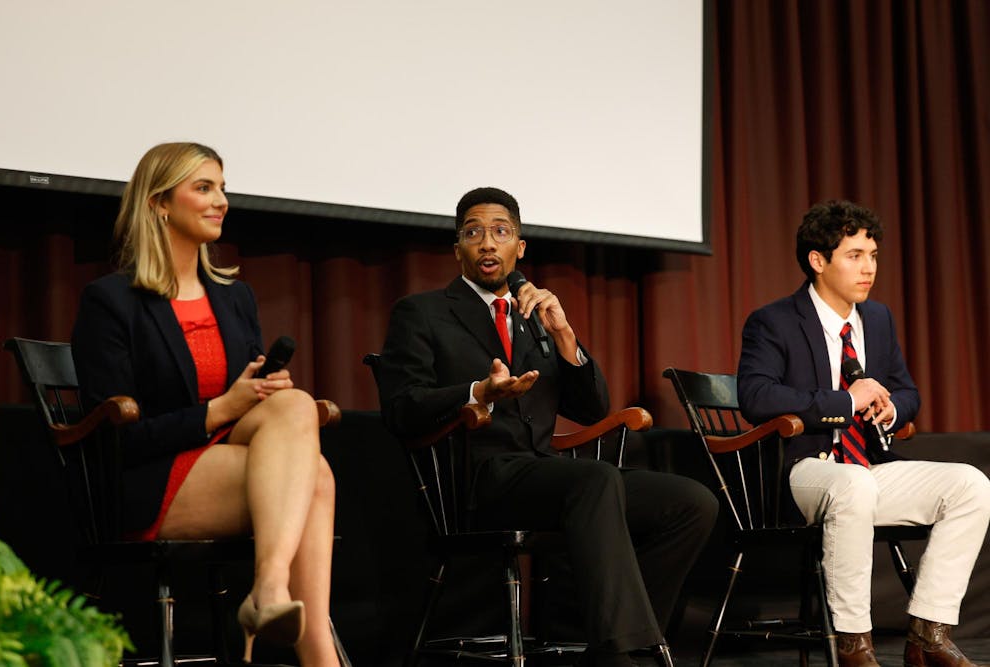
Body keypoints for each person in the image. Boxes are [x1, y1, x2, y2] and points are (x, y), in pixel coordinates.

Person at [375, 186, 718, 667]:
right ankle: (622, 655)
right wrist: (478, 392)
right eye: (474, 233)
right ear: (458, 251)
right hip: (478, 479)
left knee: (691, 503)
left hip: (546, 475)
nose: (488, 243)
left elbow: (593, 408)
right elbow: (401, 408)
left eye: (501, 232)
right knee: (594, 479)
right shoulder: (423, 312)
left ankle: (619, 641)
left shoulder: (534, 316)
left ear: (521, 247)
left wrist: (563, 334)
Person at [71, 142, 343, 667]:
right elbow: (120, 438)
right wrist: (220, 408)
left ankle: (269, 589)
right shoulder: (111, 301)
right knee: (317, 475)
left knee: (294, 406)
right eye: (203, 188)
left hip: (228, 457)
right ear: (159, 204)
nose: (220, 201)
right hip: (149, 479)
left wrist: (256, 395)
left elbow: (252, 408)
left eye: (222, 188)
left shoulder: (234, 297)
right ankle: (315, 649)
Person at [737, 200, 990, 667]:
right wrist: (845, 401)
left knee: (971, 484)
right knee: (852, 484)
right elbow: (756, 397)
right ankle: (854, 643)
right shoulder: (773, 321)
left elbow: (908, 392)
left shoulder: (876, 320)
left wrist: (891, 409)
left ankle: (928, 635)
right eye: (854, 255)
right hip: (803, 471)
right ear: (818, 261)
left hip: (867, 469)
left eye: (872, 255)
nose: (868, 267)